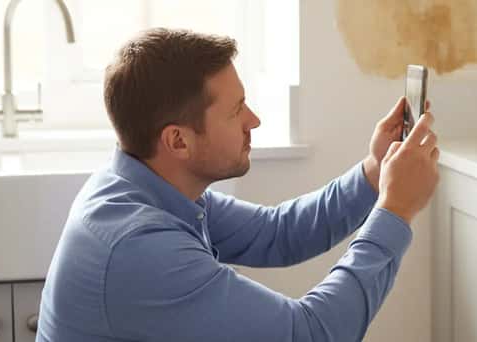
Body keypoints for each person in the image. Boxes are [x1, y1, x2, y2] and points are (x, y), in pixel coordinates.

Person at [36, 28, 439, 342]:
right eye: (235, 111)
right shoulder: (138, 246)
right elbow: (311, 335)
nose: (254, 120)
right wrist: (394, 211)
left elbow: (277, 233)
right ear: (178, 140)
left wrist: (374, 171)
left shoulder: (147, 186)